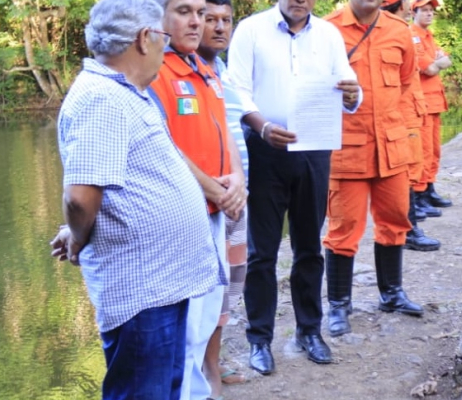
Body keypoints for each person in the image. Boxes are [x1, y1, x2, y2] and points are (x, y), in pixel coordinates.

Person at [51, 0, 220, 398]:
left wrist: (76, 230)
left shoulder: (126, 93)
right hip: (142, 291)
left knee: (164, 390)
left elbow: (111, 188)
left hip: (162, 284)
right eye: (163, 36)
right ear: (145, 39)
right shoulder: (102, 99)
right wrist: (77, 235)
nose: (166, 45)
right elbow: (80, 199)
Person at [228, 0, 361, 374]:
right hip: (265, 150)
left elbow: (348, 83)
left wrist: (354, 95)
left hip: (315, 149)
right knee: (261, 253)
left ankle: (309, 331)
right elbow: (236, 89)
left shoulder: (329, 34)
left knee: (309, 247)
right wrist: (263, 126)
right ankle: (259, 339)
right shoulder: (251, 30)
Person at [148, 0, 247, 398]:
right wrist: (217, 191)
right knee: (183, 333)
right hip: (183, 219)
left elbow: (227, 132)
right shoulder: (154, 70)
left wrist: (237, 179)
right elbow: (162, 146)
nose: (197, 21)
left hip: (215, 214)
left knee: (207, 320)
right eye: (185, 12)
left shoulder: (205, 69)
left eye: (200, 13)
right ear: (157, 18)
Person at [323, 0, 425, 338]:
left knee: (396, 220)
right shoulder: (326, 30)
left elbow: (408, 82)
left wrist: (406, 135)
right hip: (346, 148)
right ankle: (338, 304)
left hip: (391, 147)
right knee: (344, 228)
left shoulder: (399, 31)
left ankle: (391, 293)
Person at [195, 0, 249, 397]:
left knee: (230, 283)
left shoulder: (221, 72)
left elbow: (233, 130)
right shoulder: (174, 71)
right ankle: (205, 366)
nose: (218, 28)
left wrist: (241, 183)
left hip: (235, 195)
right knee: (204, 287)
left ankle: (213, 358)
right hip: (204, 199)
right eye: (208, 19)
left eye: (225, 21)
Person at [381, 0, 441, 252]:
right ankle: (408, 230)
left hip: (411, 111)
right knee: (404, 173)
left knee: (412, 169)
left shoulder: (400, 31)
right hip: (401, 116)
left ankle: (410, 225)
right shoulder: (397, 32)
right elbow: (427, 68)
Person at [410, 0, 453, 216]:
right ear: (413, 12)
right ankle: (418, 195)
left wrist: (441, 62)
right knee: (423, 151)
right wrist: (439, 62)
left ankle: (429, 187)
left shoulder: (429, 36)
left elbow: (446, 61)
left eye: (431, 11)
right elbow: (429, 69)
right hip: (422, 103)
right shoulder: (412, 35)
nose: (429, 14)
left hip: (435, 102)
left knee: (435, 149)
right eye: (424, 10)